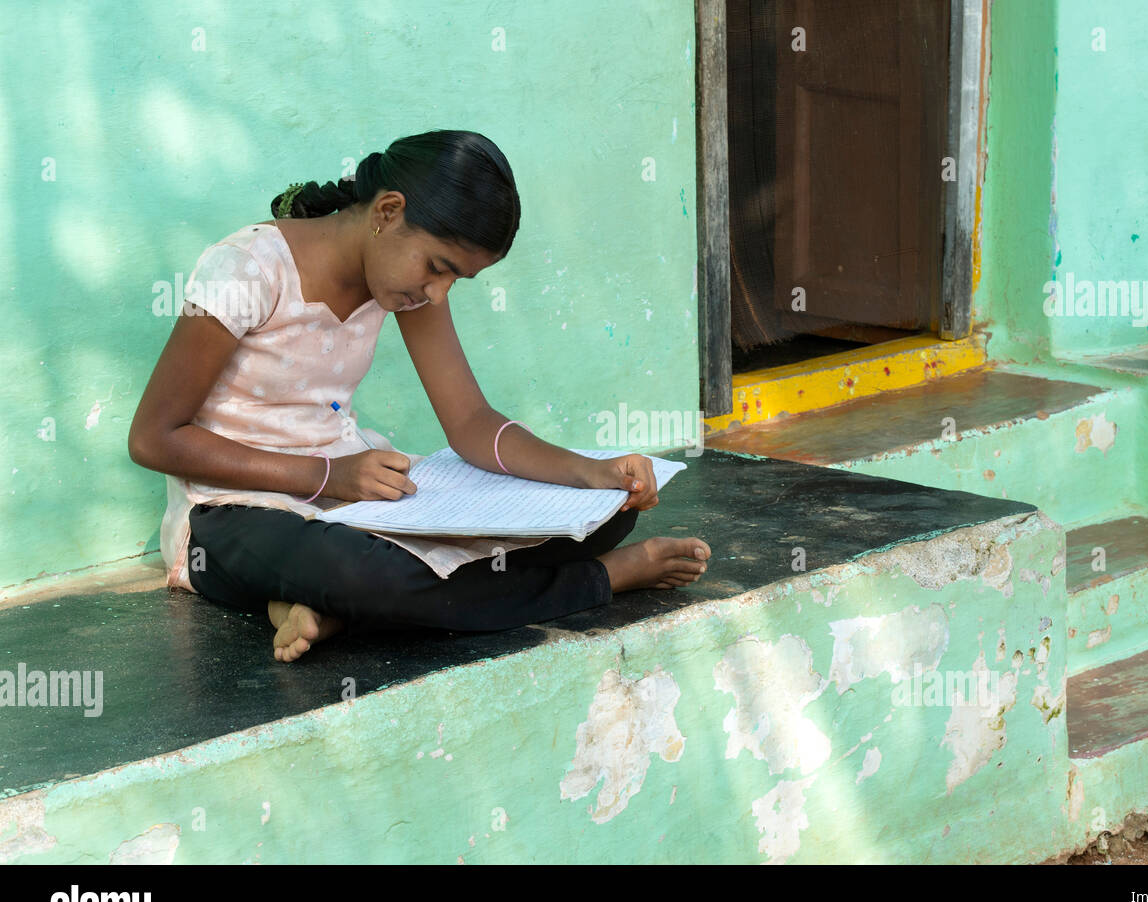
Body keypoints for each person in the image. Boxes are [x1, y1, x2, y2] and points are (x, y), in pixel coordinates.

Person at [128, 130, 711, 663]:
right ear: (388, 211)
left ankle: (328, 611)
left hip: (350, 501)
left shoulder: (405, 285)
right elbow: (154, 437)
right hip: (233, 513)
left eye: (455, 279)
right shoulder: (246, 269)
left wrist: (592, 473)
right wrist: (325, 475)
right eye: (437, 267)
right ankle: (604, 579)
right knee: (367, 575)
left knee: (600, 518)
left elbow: (471, 421)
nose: (438, 291)